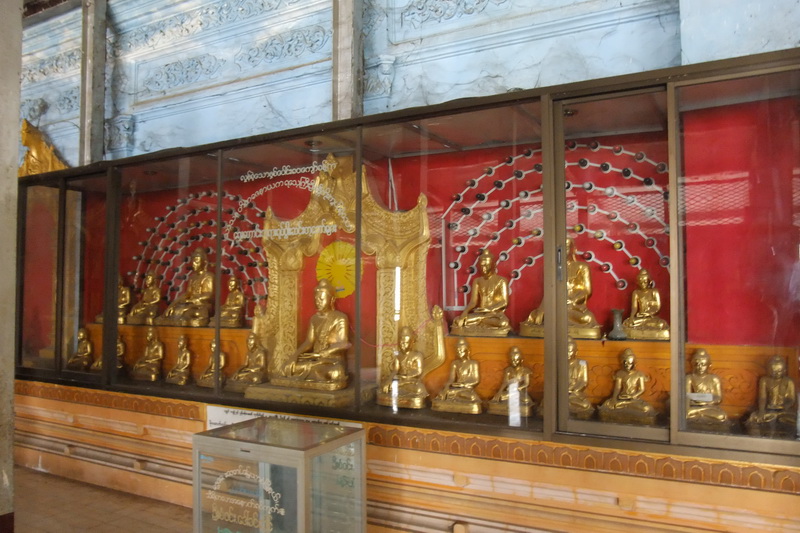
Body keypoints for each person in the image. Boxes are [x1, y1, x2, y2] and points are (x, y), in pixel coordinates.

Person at [280, 279, 351, 390]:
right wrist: (294, 356)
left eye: (321, 299)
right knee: (286, 368)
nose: (318, 302)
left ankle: (317, 375)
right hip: (314, 359)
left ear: (332, 299)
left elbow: (343, 343)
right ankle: (315, 376)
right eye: (316, 299)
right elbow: (309, 342)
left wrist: (325, 353)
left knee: (336, 373)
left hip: (332, 361)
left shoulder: (340, 318)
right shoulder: (314, 319)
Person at [522, 238, 600, 337]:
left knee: (587, 318)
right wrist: (542, 309)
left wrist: (572, 301)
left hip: (573, 307)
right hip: (554, 306)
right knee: (536, 316)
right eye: (558, 249)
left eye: (566, 248)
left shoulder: (582, 267)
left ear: (573, 249)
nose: (562, 252)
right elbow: (549, 291)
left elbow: (587, 291)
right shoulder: (551, 268)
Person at [451, 249, 510, 335]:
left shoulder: (502, 281)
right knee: (457, 320)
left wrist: (489, 309)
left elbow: (504, 302)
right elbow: (473, 302)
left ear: (493, 265)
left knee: (503, 323)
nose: (484, 269)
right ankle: (481, 321)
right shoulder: (477, 281)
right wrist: (465, 312)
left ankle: (480, 321)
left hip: (494, 314)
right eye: (481, 266)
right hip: (480, 313)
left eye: (486, 266)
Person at [156, 248, 214, 327]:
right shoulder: (192, 277)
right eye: (193, 261)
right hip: (190, 303)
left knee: (191, 313)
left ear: (204, 262)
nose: (194, 264)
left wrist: (195, 299)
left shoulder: (208, 276)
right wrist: (173, 304)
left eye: (197, 261)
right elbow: (188, 293)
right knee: (174, 311)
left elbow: (209, 295)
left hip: (202, 305)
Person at [598, 348, 656, 423]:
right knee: (607, 406)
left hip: (634, 399)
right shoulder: (620, 373)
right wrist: (614, 398)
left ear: (634, 363)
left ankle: (627, 411)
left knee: (646, 408)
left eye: (629, 363)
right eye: (625, 363)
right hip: (622, 397)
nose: (627, 365)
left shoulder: (639, 374)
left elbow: (641, 389)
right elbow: (618, 387)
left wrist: (633, 396)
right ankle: (624, 410)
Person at [377, 326, 429, 409]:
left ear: (412, 342)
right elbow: (395, 370)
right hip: (399, 380)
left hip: (410, 381)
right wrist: (389, 380)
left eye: (405, 343)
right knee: (384, 386)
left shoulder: (417, 355)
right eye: (401, 342)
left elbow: (418, 371)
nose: (403, 345)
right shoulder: (398, 355)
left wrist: (407, 376)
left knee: (419, 389)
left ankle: (399, 392)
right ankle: (397, 391)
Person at [746, 355, 797, 432]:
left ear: (784, 370)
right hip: (769, 410)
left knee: (793, 419)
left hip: (784, 411)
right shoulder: (764, 380)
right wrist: (761, 410)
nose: (777, 373)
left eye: (779, 371)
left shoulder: (789, 381)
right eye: (774, 371)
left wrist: (785, 406)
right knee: (754, 418)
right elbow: (762, 397)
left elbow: (791, 399)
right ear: (769, 370)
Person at [432, 338, 482, 414]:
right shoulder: (455, 363)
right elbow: (451, 379)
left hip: (466, 388)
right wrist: (446, 389)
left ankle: (454, 397)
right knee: (444, 393)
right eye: (457, 351)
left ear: (467, 351)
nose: (459, 353)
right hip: (456, 387)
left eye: (461, 350)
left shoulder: (473, 363)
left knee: (470, 396)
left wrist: (463, 384)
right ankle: (452, 396)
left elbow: (476, 380)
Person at [488, 346, 534, 416]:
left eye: (516, 360)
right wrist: (499, 392)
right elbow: (505, 382)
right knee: (500, 397)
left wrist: (519, 388)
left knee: (526, 399)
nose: (514, 362)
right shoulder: (508, 370)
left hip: (519, 391)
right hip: (510, 391)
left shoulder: (525, 370)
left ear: (521, 360)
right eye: (512, 360)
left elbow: (526, 383)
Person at [623, 269, 668, 339]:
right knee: (627, 323)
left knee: (661, 324)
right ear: (638, 282)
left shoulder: (654, 291)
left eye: (645, 282)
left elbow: (658, 307)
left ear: (649, 282)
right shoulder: (636, 292)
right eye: (641, 282)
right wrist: (631, 317)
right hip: (640, 317)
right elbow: (634, 307)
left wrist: (649, 312)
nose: (643, 284)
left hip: (651, 317)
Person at [685, 349, 728, 423]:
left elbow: (718, 398)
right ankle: (699, 413)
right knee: (685, 413)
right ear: (693, 365)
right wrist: (690, 405)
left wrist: (704, 403)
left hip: (709, 406)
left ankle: (699, 413)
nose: (700, 367)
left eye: (703, 364)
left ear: (709, 365)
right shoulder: (689, 378)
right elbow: (687, 396)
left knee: (722, 416)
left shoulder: (714, 379)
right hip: (695, 405)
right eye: (697, 364)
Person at [567, 337, 595, 419]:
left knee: (585, 405)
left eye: (570, 351)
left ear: (576, 351)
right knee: (547, 401)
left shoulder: (582, 363)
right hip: (561, 392)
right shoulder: (558, 362)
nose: (567, 354)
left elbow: (584, 382)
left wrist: (572, 390)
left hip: (575, 393)